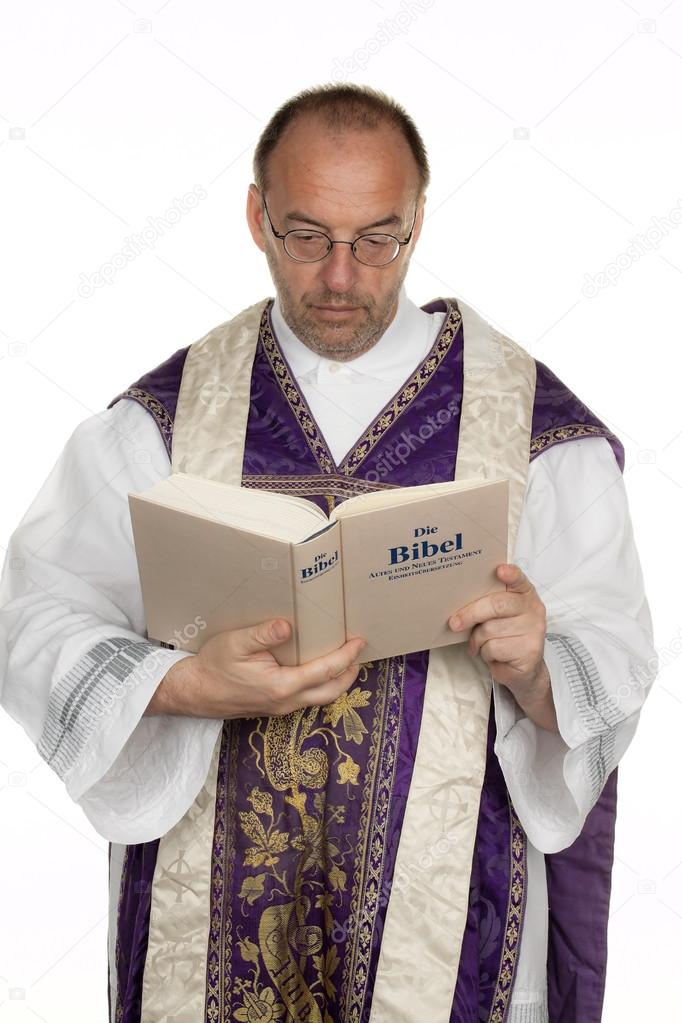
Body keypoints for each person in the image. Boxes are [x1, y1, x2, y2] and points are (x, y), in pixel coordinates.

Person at [0, 84, 656, 1023]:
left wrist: (542, 664)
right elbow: (33, 614)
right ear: (257, 217)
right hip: (211, 911)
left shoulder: (535, 431)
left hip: (453, 919)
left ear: (419, 221)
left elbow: (617, 657)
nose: (342, 276)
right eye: (307, 236)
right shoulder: (164, 420)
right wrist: (184, 686)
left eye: (377, 238)